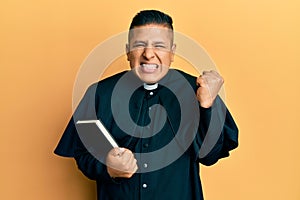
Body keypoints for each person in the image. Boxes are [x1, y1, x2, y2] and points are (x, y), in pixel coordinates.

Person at [54, 10, 239, 200]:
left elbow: (210, 157)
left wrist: (207, 107)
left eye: (159, 45)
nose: (149, 54)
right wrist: (107, 168)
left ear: (172, 52)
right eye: (139, 45)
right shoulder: (99, 94)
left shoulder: (198, 90)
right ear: (127, 51)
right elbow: (83, 154)